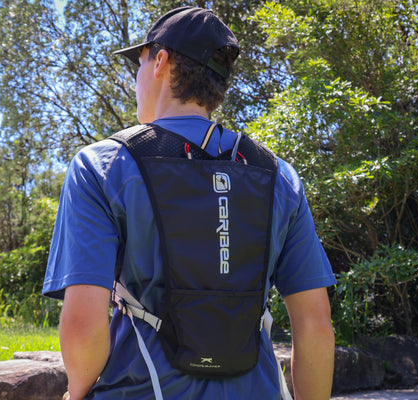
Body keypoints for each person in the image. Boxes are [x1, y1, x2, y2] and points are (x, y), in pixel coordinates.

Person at [43, 6, 336, 400]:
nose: (136, 80)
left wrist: (75, 392)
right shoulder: (278, 176)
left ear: (160, 61)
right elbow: (315, 325)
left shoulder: (102, 166)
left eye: (140, 63)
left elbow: (82, 326)